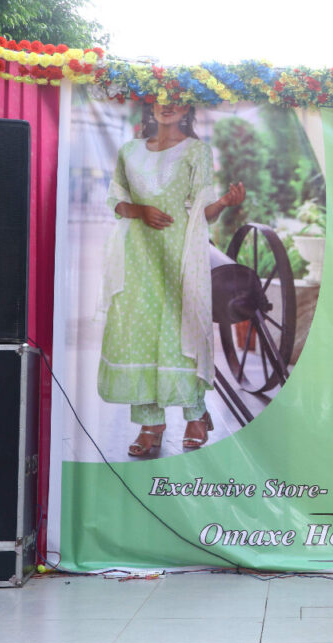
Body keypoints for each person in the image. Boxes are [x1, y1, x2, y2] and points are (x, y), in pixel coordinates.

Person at [99, 101, 245, 456]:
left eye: (177, 100)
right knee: (140, 334)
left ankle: (195, 415)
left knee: (182, 331)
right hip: (137, 255)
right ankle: (150, 423)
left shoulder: (197, 151)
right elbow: (116, 200)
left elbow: (201, 211)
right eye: (162, 99)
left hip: (181, 253)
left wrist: (224, 202)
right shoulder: (129, 151)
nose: (169, 107)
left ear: (187, 109)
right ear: (151, 106)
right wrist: (140, 210)